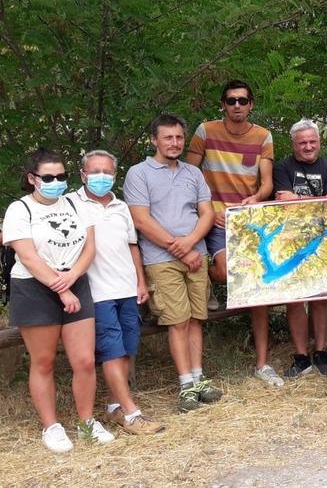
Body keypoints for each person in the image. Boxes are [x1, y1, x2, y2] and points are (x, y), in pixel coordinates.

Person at [2, 149, 114, 452]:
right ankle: (51, 427)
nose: (56, 182)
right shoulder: (19, 210)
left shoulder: (78, 205)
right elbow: (26, 255)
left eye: (61, 176)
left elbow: (89, 248)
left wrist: (73, 277)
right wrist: (60, 288)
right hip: (34, 287)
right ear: (32, 179)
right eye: (48, 177)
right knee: (44, 361)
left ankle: (86, 421)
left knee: (85, 360)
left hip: (75, 280)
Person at [124, 113, 222, 412]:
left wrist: (192, 244)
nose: (174, 142)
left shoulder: (194, 174)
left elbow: (206, 213)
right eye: (168, 137)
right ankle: (186, 385)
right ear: (154, 140)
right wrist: (181, 250)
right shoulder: (138, 174)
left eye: (179, 137)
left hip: (197, 254)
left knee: (196, 318)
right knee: (177, 321)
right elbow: (141, 219)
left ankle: (199, 377)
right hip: (161, 259)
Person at [186, 80, 278, 383]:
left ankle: (263, 363)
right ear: (222, 104)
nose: (236, 105)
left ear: (251, 104)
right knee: (225, 271)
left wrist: (258, 197)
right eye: (230, 100)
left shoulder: (263, 136)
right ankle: (208, 281)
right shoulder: (205, 131)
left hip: (247, 220)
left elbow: (265, 182)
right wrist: (207, 211)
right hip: (213, 217)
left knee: (258, 287)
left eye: (242, 100)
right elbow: (189, 174)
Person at [72, 150, 164, 435]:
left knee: (126, 349)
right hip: (96, 292)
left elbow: (132, 245)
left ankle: (115, 408)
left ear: (115, 175)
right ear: (83, 174)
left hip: (127, 289)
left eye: (107, 172)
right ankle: (133, 414)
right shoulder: (70, 205)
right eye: (95, 171)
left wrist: (140, 281)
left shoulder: (121, 206)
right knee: (111, 351)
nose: (101, 177)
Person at [273, 118, 327, 378]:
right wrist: (317, 200)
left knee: (320, 297)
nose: (308, 146)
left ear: (319, 142)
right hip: (290, 241)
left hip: (322, 240)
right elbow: (283, 204)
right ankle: (301, 355)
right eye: (302, 142)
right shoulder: (282, 167)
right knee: (294, 300)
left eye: (312, 141)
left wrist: (300, 199)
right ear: (293, 144)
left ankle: (321, 351)